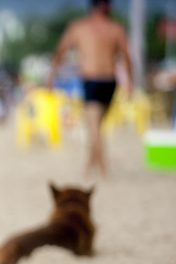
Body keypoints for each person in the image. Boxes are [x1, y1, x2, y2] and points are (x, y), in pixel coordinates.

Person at [48, 0, 133, 179]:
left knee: (94, 127)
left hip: (92, 79)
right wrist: (129, 83)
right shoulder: (116, 29)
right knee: (96, 127)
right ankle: (90, 165)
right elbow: (127, 57)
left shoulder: (79, 27)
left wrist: (51, 77)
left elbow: (60, 52)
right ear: (105, 6)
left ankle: (102, 168)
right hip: (110, 81)